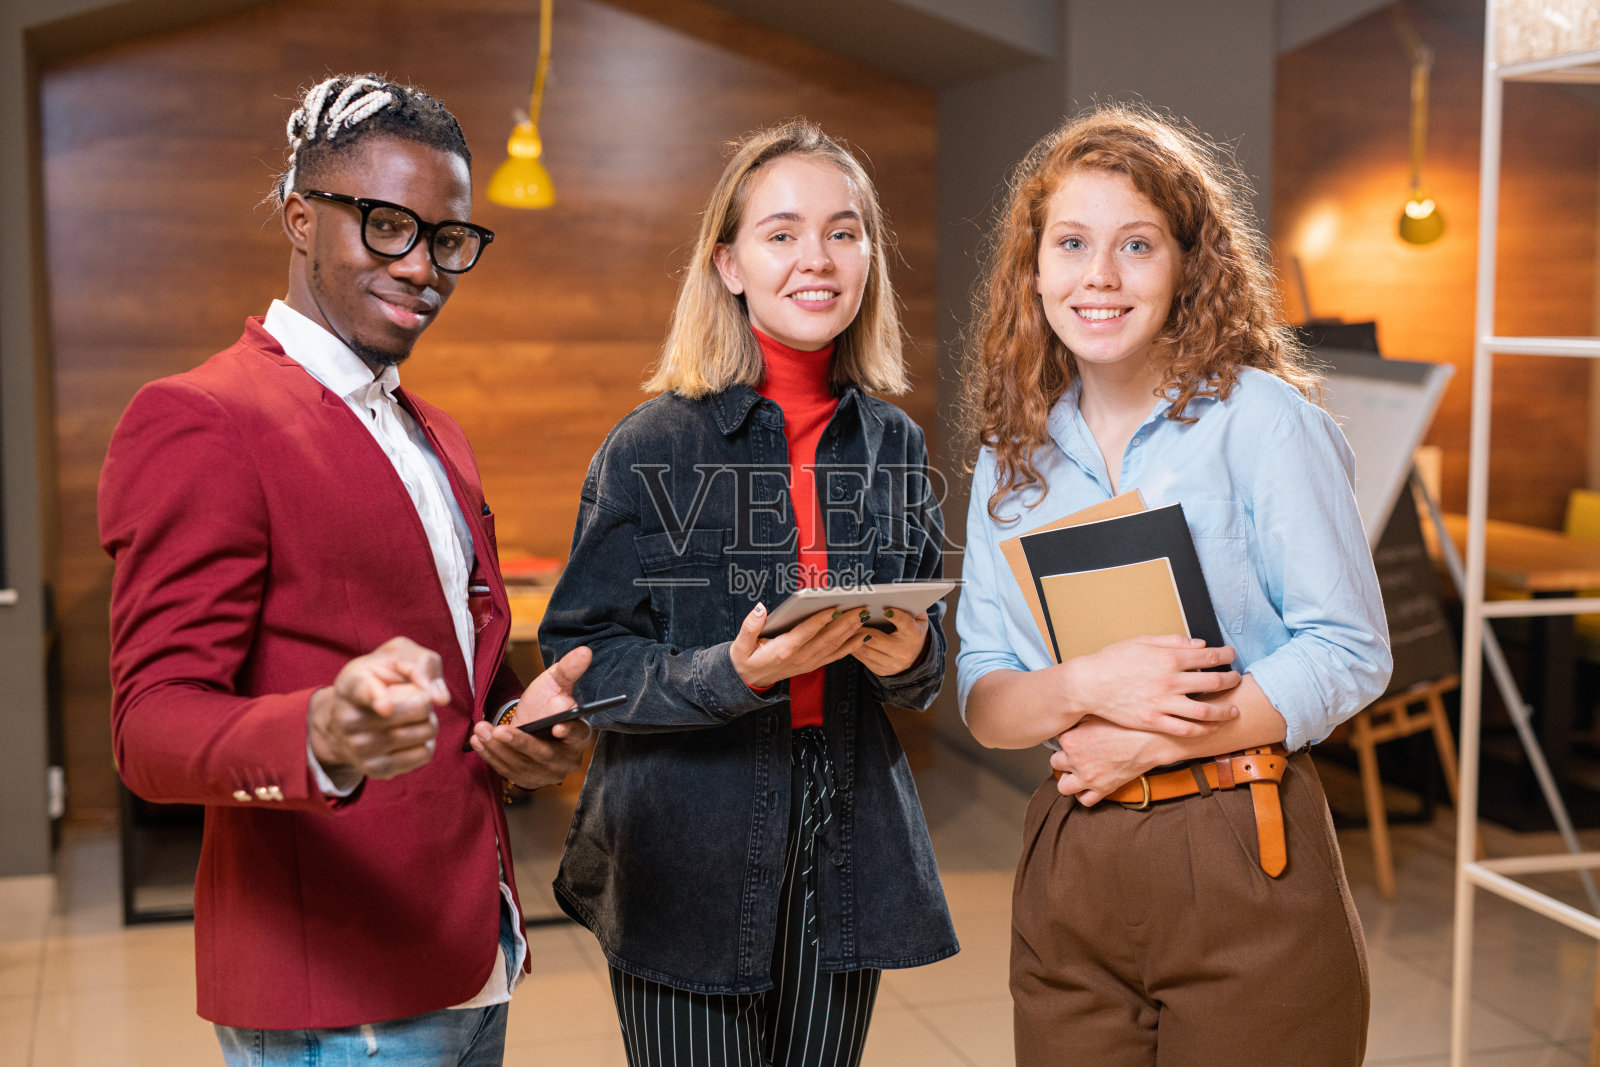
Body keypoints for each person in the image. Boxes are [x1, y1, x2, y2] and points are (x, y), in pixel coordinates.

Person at [98, 74, 594, 1065]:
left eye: (448, 240)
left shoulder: (433, 430)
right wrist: (318, 727)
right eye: (385, 227)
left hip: (469, 943)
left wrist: (520, 724)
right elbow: (149, 723)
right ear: (299, 218)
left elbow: (449, 672)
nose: (424, 268)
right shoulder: (203, 416)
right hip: (335, 992)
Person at [955, 103, 1392, 1065]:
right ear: (1034, 269)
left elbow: (1350, 651)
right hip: (1074, 860)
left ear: (1188, 264)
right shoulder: (1010, 457)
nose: (1098, 277)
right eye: (1070, 244)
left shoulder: (1264, 423)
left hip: (1247, 845)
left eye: (1137, 245)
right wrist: (1083, 693)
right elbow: (986, 697)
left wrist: (1142, 742)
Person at [538, 119, 956, 1067]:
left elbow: (925, 659)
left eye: (844, 232)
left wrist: (911, 657)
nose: (818, 258)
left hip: (846, 832)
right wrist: (727, 671)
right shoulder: (651, 444)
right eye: (783, 233)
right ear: (728, 264)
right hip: (683, 838)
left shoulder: (892, 442)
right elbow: (586, 657)